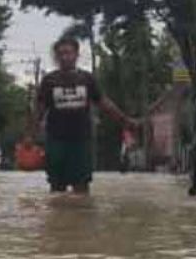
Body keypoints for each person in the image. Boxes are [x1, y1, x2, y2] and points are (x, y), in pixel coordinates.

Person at [30, 37, 138, 194]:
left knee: (81, 187)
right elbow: (38, 110)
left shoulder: (87, 79)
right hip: (56, 141)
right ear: (56, 57)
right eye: (60, 54)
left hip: (81, 141)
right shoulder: (49, 81)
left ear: (76, 55)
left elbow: (105, 104)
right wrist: (29, 137)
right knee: (56, 187)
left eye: (68, 53)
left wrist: (125, 121)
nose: (64, 57)